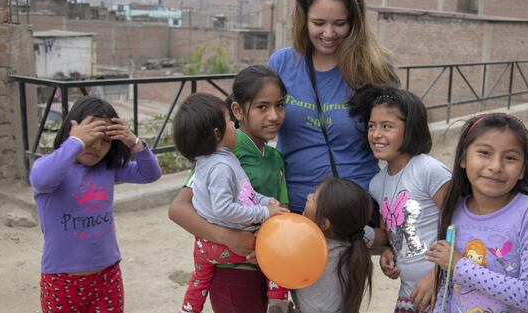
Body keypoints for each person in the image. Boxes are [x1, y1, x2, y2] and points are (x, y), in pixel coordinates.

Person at [268, 0, 397, 214]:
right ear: (303, 19)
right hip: (292, 212)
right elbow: (251, 130)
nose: (329, 33)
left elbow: (399, 138)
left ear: (355, 21)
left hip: (355, 211)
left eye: (340, 23)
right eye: (318, 22)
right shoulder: (281, 64)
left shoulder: (374, 68)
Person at [169, 65, 291, 313]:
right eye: (262, 107)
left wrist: (268, 244)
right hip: (232, 273)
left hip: (268, 267)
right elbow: (178, 208)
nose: (274, 116)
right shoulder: (220, 155)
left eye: (280, 105)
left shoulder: (275, 158)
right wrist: (228, 237)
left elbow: (279, 209)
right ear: (237, 110)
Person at [29, 96, 162, 313]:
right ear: (73, 131)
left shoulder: (107, 168)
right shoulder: (51, 169)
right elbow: (40, 179)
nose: (97, 146)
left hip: (107, 277)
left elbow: (150, 174)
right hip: (62, 281)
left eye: (106, 140)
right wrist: (75, 143)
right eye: (91, 137)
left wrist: (133, 142)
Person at [425, 113, 528, 313]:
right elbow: (447, 287)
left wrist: (460, 265)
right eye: (485, 153)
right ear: (463, 159)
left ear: (522, 170)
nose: (496, 167)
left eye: (510, 158)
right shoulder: (453, 209)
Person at [349, 85, 451, 313]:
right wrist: (390, 252)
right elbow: (393, 231)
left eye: (387, 126)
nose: (376, 134)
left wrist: (438, 274)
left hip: (442, 291)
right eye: (371, 126)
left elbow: (465, 222)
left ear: (411, 129)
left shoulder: (429, 170)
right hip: (408, 294)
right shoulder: (377, 183)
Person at [296, 177, 373, 313]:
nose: (308, 196)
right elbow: (383, 237)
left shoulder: (306, 246)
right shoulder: (358, 233)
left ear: (325, 224)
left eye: (314, 198)